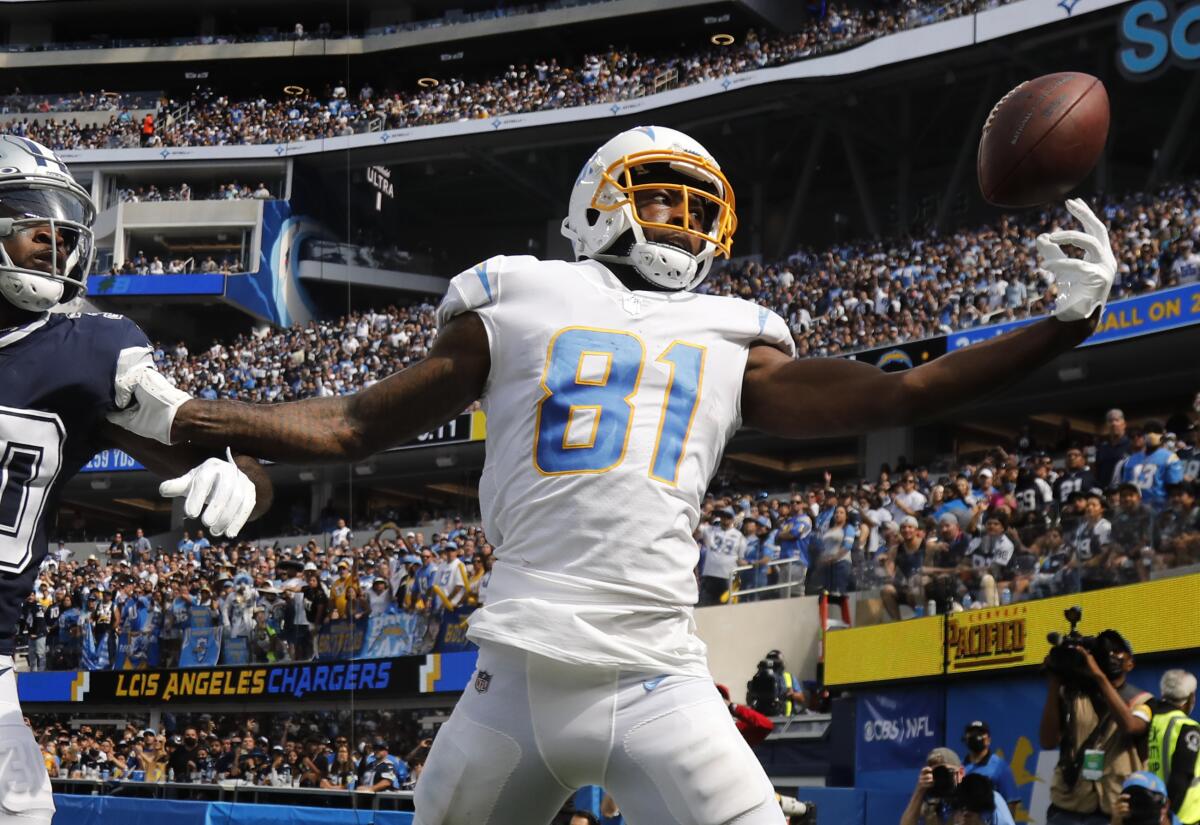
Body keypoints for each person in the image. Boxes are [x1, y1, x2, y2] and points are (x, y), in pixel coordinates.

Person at [112, 125, 1121, 825]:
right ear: (599, 203)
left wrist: (1063, 326)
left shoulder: (736, 333)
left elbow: (907, 395)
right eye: (660, 196)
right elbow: (350, 426)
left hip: (661, 678)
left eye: (698, 206)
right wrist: (190, 417)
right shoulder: (520, 293)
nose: (680, 220)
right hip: (517, 674)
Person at [0, 135, 272, 825]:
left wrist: (234, 474)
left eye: (64, 230)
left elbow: (210, 445)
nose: (53, 244)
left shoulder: (83, 353)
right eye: (32, 222)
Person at [1039, 629, 1153, 824]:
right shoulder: (1074, 696)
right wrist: (1054, 682)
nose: (1110, 655)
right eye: (1105, 651)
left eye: (1118, 651)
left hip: (1114, 810)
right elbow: (1048, 741)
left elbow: (1130, 726)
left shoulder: (1142, 701)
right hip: (1068, 808)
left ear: (1130, 663)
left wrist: (1099, 677)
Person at [899, 747, 1016, 825]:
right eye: (935, 774)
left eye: (946, 772)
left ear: (961, 773)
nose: (941, 778)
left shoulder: (987, 797)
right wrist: (919, 791)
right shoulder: (933, 805)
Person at [1146, 670, 1200, 824]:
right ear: (1190, 698)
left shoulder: (1151, 720)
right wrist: (1168, 815)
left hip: (1153, 807)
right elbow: (1181, 776)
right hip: (1183, 816)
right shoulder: (1187, 726)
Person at [962, 721, 1020, 816]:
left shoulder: (1000, 766)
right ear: (966, 739)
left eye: (980, 733)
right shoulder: (960, 767)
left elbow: (1011, 803)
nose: (975, 737)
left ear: (988, 740)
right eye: (972, 733)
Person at [1111, 772, 1180, 825]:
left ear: (1166, 805)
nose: (1139, 806)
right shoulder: (1124, 820)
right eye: (1134, 801)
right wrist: (1115, 821)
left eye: (1144, 801)